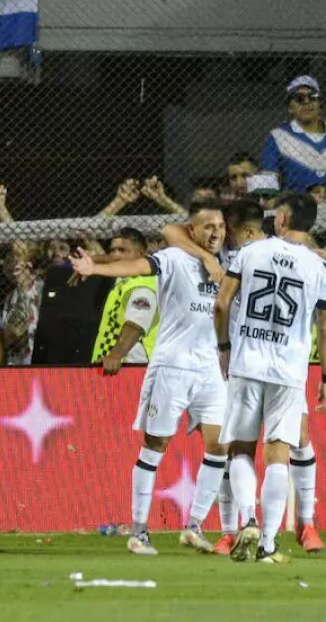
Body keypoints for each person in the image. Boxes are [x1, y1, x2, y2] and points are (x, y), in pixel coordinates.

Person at [71, 198, 229, 556]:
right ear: (192, 230)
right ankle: (139, 531)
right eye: (208, 226)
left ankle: (194, 526)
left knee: (219, 446)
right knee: (155, 445)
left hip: (209, 369)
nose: (216, 232)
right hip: (172, 367)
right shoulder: (174, 258)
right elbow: (138, 264)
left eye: (220, 226)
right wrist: (95, 268)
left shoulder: (226, 262)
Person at [214, 192, 326, 564]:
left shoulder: (251, 252)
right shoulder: (321, 268)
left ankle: (248, 519)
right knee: (279, 455)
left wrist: (224, 347)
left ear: (281, 218)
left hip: (247, 363)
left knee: (240, 449)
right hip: (289, 371)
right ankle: (268, 542)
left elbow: (221, 303)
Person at [90, 228, 160, 374]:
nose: (116, 255)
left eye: (122, 250)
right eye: (112, 250)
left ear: (141, 254)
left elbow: (136, 324)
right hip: (115, 368)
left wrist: (115, 355)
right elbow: (115, 260)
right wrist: (94, 261)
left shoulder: (143, 285)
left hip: (134, 369)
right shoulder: (125, 281)